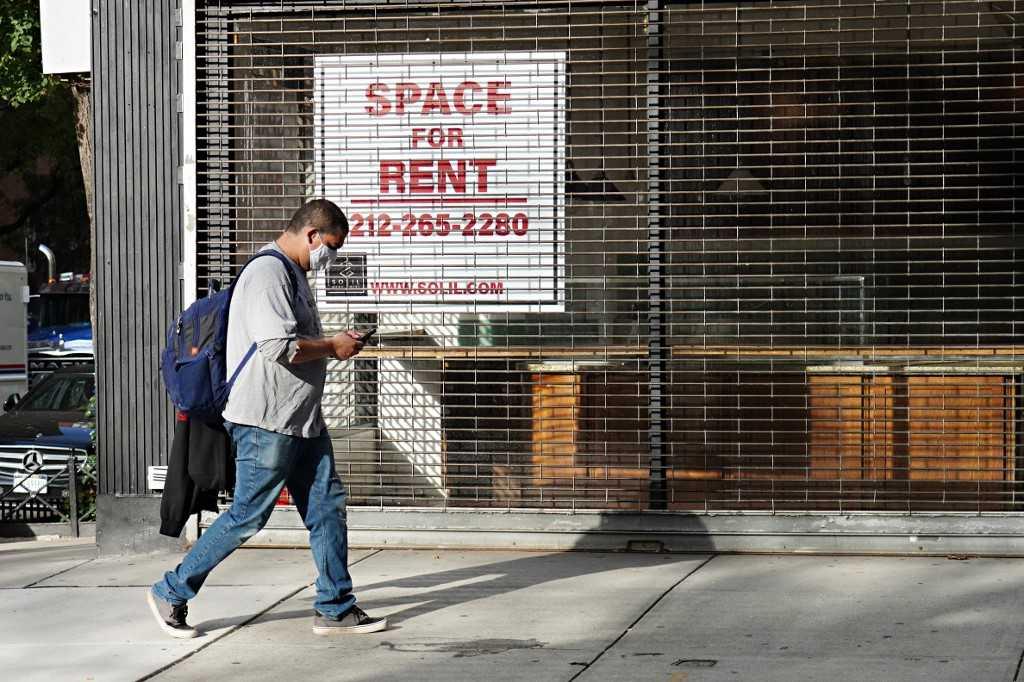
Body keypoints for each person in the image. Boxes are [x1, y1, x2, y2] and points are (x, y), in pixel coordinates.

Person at [146, 199, 386, 638]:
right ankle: (171, 590)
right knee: (247, 516)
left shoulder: (291, 273)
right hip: (266, 420)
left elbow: (293, 341)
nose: (329, 258)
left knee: (326, 506)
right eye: (331, 247)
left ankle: (334, 606)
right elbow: (279, 345)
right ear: (312, 235)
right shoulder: (267, 273)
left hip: (299, 419)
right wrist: (333, 345)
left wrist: (334, 342)